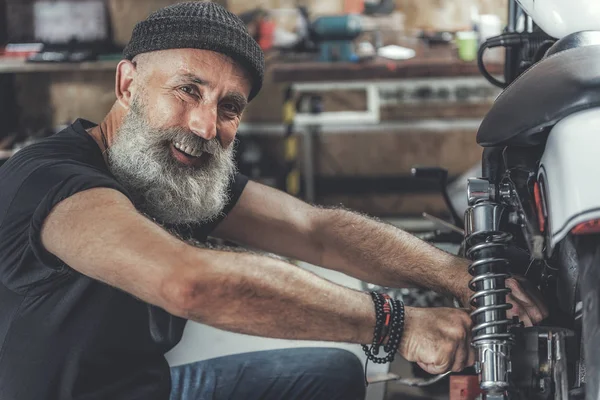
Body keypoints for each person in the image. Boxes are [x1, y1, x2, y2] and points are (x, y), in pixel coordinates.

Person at [0, 2, 547, 400]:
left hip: (147, 388)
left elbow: (316, 231)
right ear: (127, 84)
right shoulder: (50, 180)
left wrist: (462, 275)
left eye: (229, 107)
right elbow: (190, 282)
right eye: (188, 90)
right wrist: (398, 325)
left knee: (335, 374)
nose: (206, 125)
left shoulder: (165, 169)